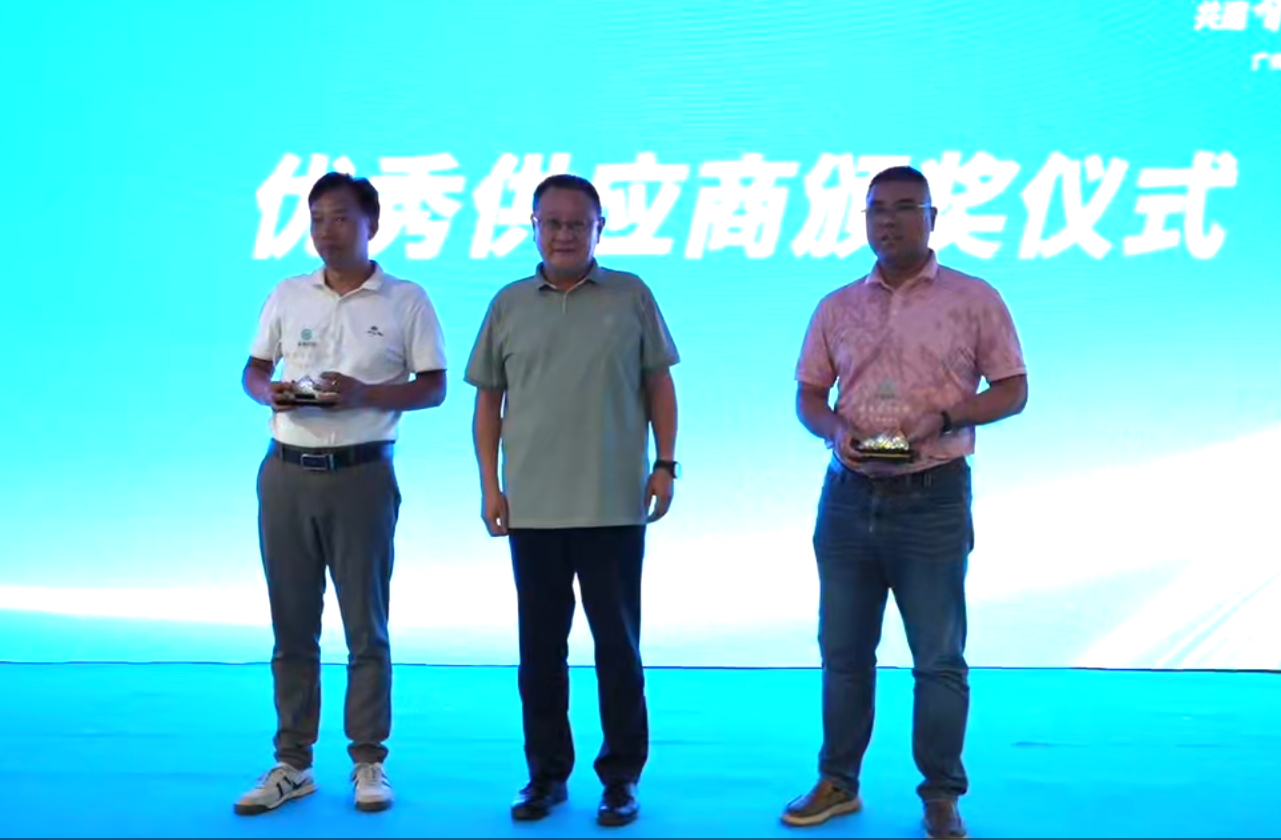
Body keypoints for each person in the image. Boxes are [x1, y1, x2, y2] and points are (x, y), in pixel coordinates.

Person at [781, 165, 1028, 840]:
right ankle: (838, 782)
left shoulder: (973, 298)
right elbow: (809, 395)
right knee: (843, 652)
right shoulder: (836, 306)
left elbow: (1012, 389)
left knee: (938, 658)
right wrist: (834, 430)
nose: (887, 221)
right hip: (847, 498)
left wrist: (944, 416)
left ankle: (941, 795)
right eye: (876, 210)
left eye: (903, 207)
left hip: (932, 496)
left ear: (931, 217)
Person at [464, 173, 680, 828]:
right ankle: (546, 776)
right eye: (551, 222)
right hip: (532, 509)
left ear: (599, 228)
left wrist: (665, 465)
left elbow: (659, 386)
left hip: (614, 504)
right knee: (540, 654)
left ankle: (621, 779)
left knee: (618, 651)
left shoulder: (631, 294)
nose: (564, 234)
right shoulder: (508, 303)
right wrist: (490, 485)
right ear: (532, 227)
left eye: (577, 223)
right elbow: (488, 403)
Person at [233, 172, 448, 816]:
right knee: (291, 624)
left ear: (371, 224)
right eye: (317, 219)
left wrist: (363, 394)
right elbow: (253, 369)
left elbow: (433, 387)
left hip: (362, 475)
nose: (327, 231)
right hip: (286, 472)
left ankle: (368, 761)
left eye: (341, 218)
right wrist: (267, 393)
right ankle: (292, 763)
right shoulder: (287, 293)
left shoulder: (406, 299)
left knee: (365, 625)